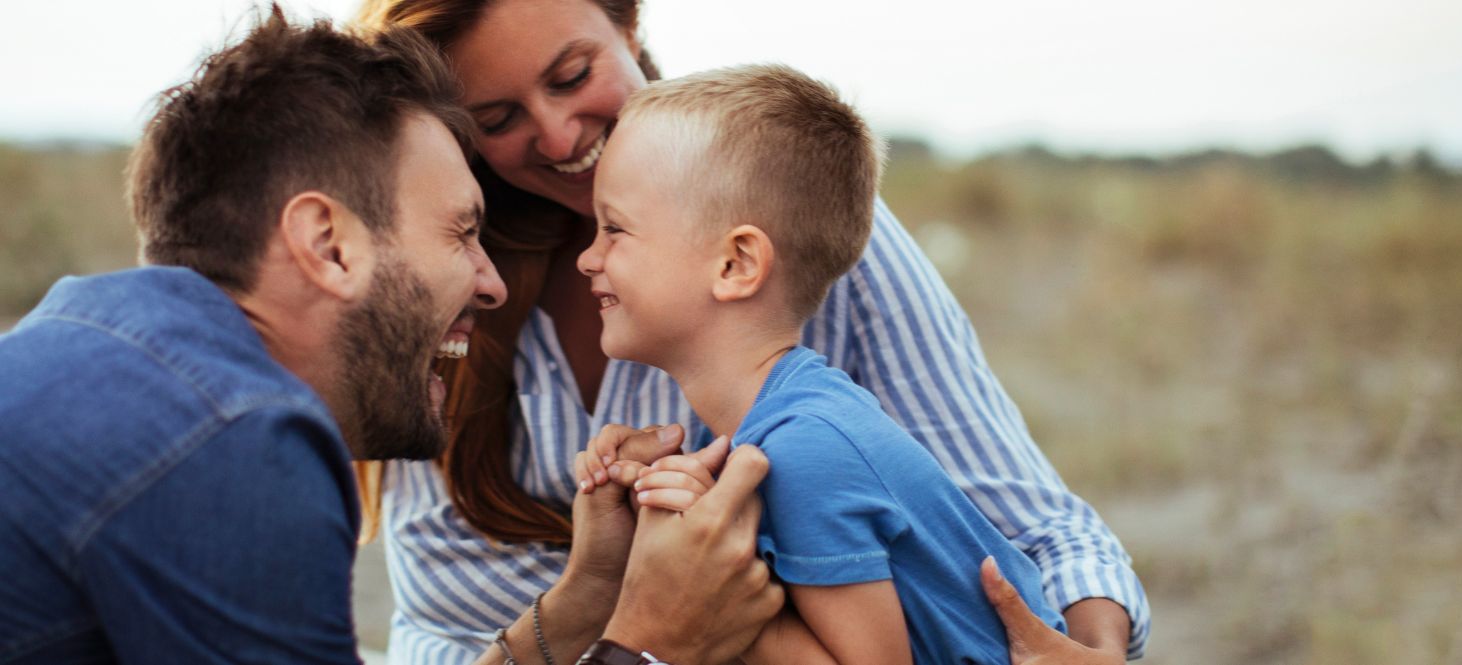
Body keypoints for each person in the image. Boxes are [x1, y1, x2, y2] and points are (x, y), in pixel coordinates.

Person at [354, 0, 1150, 662]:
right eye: (496, 117)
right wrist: (631, 593)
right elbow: (442, 616)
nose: (560, 137)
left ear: (629, 27)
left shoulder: (804, 248)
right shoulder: (446, 278)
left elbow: (1027, 520)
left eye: (572, 75)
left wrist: (1095, 649)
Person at [0, 10, 778, 664]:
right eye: (461, 233)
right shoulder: (232, 442)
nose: (491, 281)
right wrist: (652, 635)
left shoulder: (90, 343)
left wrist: (585, 601)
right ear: (329, 244)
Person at [569, 64, 1069, 664]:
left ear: (735, 264)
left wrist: (726, 606)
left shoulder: (808, 450)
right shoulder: (745, 428)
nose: (587, 258)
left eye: (614, 229)